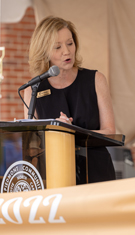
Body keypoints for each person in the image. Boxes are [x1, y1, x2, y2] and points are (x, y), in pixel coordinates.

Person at [24, 16, 116, 184]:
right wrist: (57, 131)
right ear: (44, 52)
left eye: (70, 43)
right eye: (57, 47)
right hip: (53, 174)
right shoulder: (33, 89)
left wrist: (71, 131)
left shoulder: (96, 80)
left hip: (97, 173)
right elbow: (32, 144)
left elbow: (109, 131)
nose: (66, 51)